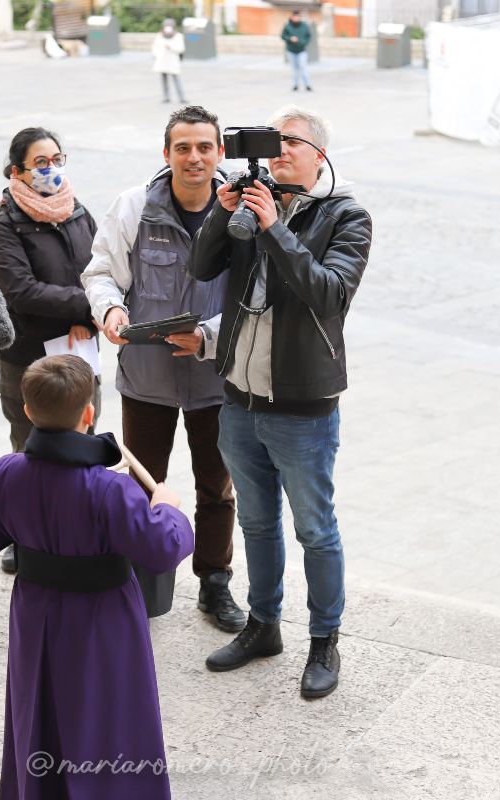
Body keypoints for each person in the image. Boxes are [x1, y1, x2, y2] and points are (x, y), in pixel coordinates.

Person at [188, 106, 372, 699]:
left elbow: (328, 294)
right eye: (272, 143)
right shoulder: (251, 199)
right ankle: (263, 626)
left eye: (290, 142)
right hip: (239, 398)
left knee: (315, 529)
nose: (277, 152)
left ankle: (325, 641)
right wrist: (222, 217)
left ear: (320, 154)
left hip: (302, 405)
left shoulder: (347, 216)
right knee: (256, 521)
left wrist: (275, 228)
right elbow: (201, 266)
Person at [0, 355, 193, 800]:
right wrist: (166, 507)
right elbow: (163, 549)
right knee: (109, 715)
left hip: (36, 611)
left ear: (27, 412)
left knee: (39, 708)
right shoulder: (111, 489)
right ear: (89, 413)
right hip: (104, 619)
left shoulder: (2, 475)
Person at [82, 105, 245, 632]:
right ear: (166, 153)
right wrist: (108, 309)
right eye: (182, 147)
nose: (193, 157)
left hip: (217, 378)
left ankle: (214, 582)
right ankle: (137, 576)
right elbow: (101, 271)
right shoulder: (134, 206)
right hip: (147, 378)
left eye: (204, 147)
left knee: (217, 487)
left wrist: (207, 337)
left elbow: (255, 296)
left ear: (220, 152)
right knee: (141, 484)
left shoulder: (242, 213)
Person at [0, 127, 101, 574]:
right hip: (29, 356)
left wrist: (87, 312)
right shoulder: (5, 225)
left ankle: (78, 523)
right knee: (29, 445)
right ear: (18, 170)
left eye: (56, 158)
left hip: (78, 349)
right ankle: (23, 534)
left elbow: (99, 269)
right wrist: (87, 305)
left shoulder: (77, 210)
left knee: (83, 440)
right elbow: (22, 292)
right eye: (40, 163)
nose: (51, 169)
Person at [151, 17, 186, 104]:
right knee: (164, 79)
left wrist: (171, 47)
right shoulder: (159, 36)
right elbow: (155, 47)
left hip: (172, 61)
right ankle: (166, 97)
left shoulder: (178, 36)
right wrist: (157, 55)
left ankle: (181, 97)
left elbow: (181, 48)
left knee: (176, 79)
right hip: (162, 60)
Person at [281, 10, 313, 92]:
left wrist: (303, 43)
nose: (296, 18)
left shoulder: (304, 26)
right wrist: (290, 38)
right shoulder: (287, 26)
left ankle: (307, 85)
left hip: (301, 50)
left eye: (298, 17)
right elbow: (283, 35)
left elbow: (308, 36)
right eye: (294, 17)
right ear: (292, 17)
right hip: (291, 50)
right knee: (294, 68)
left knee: (303, 67)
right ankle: (295, 85)